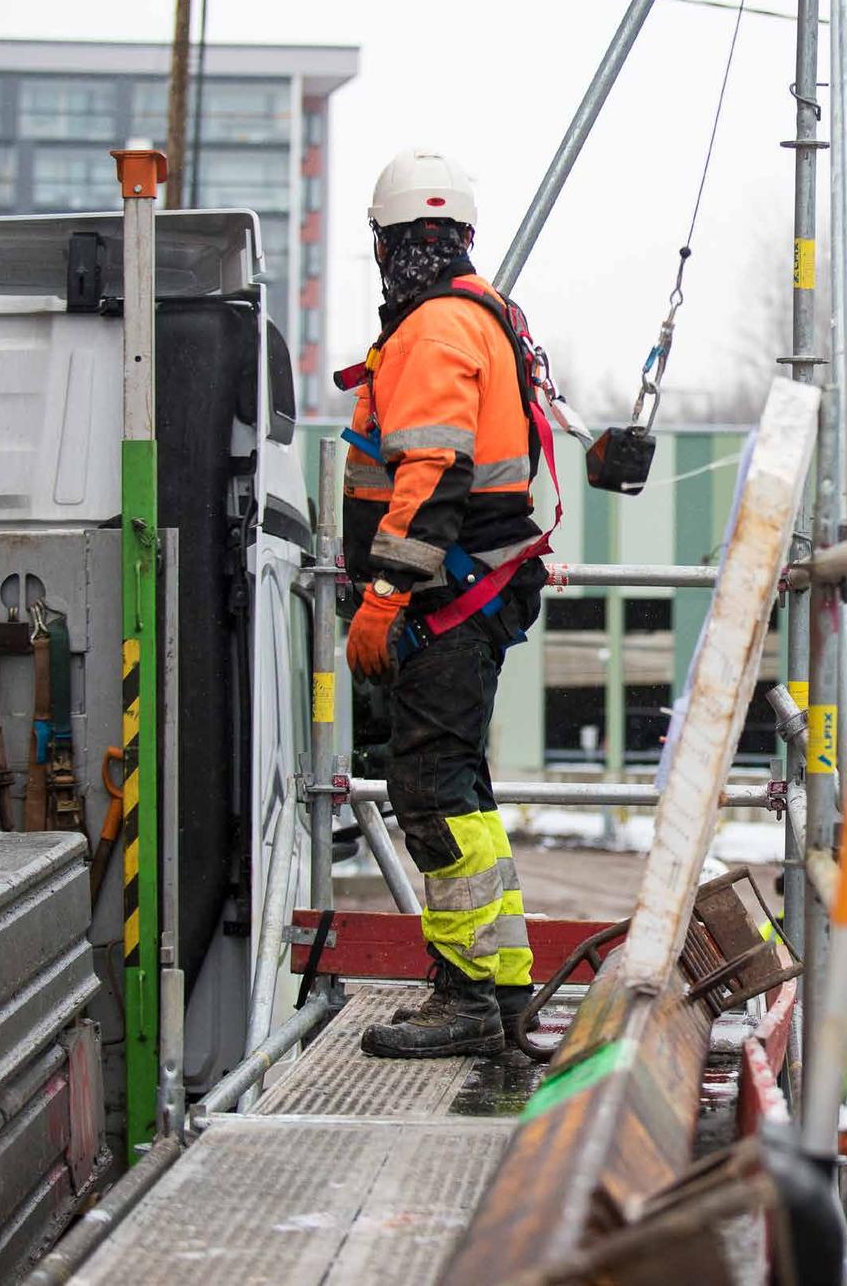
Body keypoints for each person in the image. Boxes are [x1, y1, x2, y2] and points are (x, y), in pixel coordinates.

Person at [339, 147, 549, 1060]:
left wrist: (384, 593)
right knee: (461, 790)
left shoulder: (432, 330)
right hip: (475, 587)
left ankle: (466, 995)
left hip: (445, 596)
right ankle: (500, 987)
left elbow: (433, 470)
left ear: (386, 246)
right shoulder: (485, 319)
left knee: (428, 789)